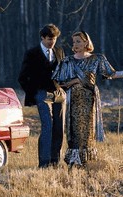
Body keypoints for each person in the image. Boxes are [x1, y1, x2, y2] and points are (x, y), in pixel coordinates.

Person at [52, 31, 123, 167]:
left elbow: (111, 74)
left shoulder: (97, 59)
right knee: (73, 130)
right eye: (74, 42)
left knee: (88, 131)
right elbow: (57, 80)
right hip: (73, 100)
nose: (76, 44)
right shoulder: (68, 61)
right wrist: (71, 83)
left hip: (89, 100)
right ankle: (73, 161)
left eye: (78, 41)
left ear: (86, 42)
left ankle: (87, 161)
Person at [18, 24, 66, 168]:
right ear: (42, 37)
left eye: (55, 39)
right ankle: (44, 162)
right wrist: (33, 93)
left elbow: (63, 72)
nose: (52, 42)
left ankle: (55, 161)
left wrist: (63, 88)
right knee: (48, 126)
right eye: (50, 39)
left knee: (59, 127)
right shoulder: (32, 53)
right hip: (41, 94)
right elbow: (22, 77)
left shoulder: (59, 51)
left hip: (58, 93)